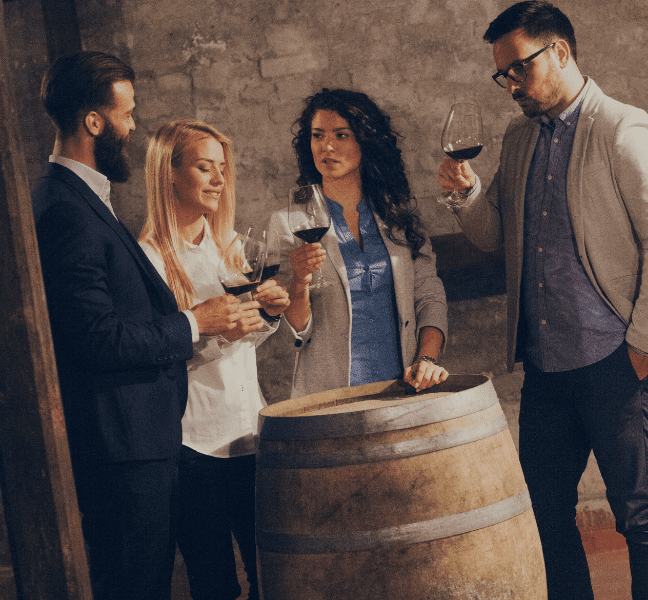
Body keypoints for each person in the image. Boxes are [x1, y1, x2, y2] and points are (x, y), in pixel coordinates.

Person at [438, 3, 648, 598]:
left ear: (560, 51)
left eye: (519, 69)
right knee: (544, 515)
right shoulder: (519, 137)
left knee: (639, 516)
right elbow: (498, 238)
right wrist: (467, 196)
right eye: (502, 75)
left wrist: (643, 349)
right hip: (547, 369)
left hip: (616, 362)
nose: (511, 86)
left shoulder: (623, 128)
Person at [32, 52, 253, 600]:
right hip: (123, 449)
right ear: (94, 121)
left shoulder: (83, 200)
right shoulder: (63, 206)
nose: (133, 127)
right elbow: (97, 338)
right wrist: (193, 322)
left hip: (140, 445)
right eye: (127, 114)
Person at [138, 120, 288, 600]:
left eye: (222, 168)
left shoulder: (232, 249)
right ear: (170, 174)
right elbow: (150, 355)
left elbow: (242, 344)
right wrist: (210, 326)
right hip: (194, 446)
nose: (219, 180)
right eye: (205, 167)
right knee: (214, 584)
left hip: (250, 434)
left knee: (275, 575)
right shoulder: (150, 259)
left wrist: (268, 314)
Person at [270, 88, 449, 397]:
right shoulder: (289, 224)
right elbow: (295, 333)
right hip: (330, 399)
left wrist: (427, 358)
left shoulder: (399, 218)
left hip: (403, 390)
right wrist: (298, 282)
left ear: (365, 141)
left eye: (341, 135)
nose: (326, 146)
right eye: (317, 136)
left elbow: (429, 296)